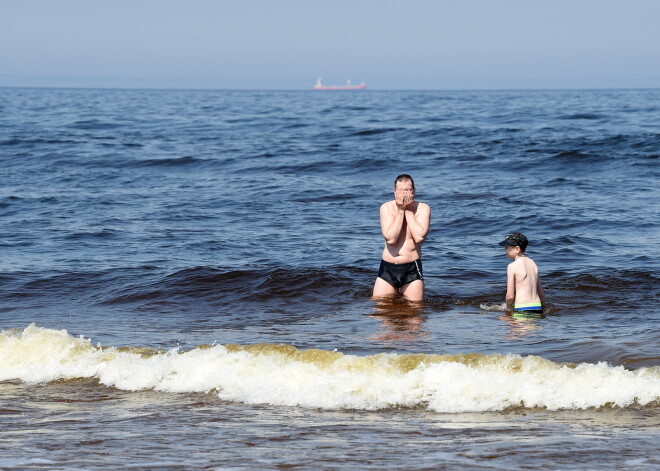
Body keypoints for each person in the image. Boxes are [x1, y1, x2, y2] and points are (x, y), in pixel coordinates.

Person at [372, 174, 431, 301]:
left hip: (411, 269)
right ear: (394, 192)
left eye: (408, 190)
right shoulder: (386, 207)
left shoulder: (422, 208)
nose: (404, 193)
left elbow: (419, 237)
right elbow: (391, 239)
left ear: (414, 191)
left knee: (414, 314)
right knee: (381, 312)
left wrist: (408, 210)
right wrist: (400, 210)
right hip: (387, 268)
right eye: (400, 190)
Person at [498, 233, 546, 316]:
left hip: (522, 308)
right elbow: (541, 293)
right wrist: (543, 308)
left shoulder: (512, 266)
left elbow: (510, 296)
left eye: (507, 247)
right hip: (537, 307)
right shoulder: (533, 264)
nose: (504, 250)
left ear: (517, 249)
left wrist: (508, 310)